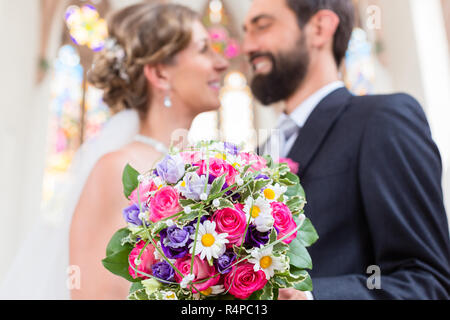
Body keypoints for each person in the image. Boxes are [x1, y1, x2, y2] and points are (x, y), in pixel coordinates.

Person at [0, 3, 228, 300]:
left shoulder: (205, 170)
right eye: (203, 49)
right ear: (159, 74)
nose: (221, 62)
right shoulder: (117, 170)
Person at [243, 0, 450, 299]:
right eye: (245, 31)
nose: (248, 45)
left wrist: (313, 297)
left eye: (263, 26)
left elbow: (427, 280)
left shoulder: (382, 120)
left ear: (319, 28)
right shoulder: (260, 153)